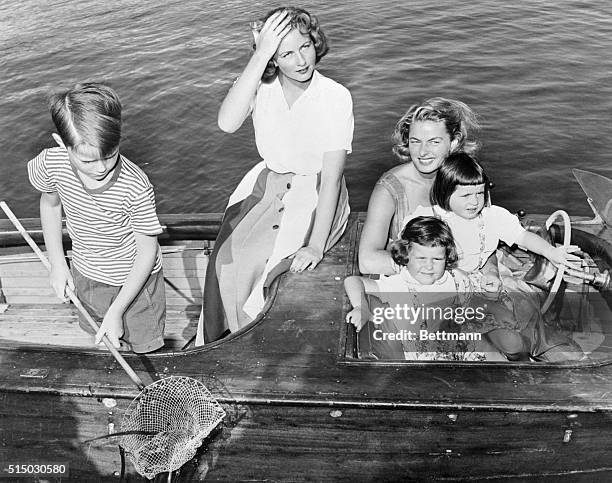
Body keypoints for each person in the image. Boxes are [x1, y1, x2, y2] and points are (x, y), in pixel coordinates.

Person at [196, 7, 353, 344]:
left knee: (274, 268)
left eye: (305, 46)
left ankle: (257, 340)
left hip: (316, 191)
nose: (301, 60)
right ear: (273, 58)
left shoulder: (335, 97)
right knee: (227, 260)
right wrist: (261, 54)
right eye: (286, 53)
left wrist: (315, 244)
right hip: (267, 185)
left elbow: (331, 178)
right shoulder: (260, 85)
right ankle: (224, 339)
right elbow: (227, 122)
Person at [27, 82, 165, 353]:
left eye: (110, 155)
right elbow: (51, 205)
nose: (101, 168)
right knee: (104, 340)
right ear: (61, 143)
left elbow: (146, 253)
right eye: (88, 161)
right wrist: (57, 263)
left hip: (135, 282)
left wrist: (117, 311)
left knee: (146, 347)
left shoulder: (135, 186)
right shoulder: (51, 164)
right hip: (87, 274)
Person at [407, 152, 584, 361]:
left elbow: (523, 237)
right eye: (465, 196)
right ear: (445, 193)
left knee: (515, 345)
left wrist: (550, 252)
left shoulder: (493, 217)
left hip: (481, 291)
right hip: (441, 295)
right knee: (463, 348)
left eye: (479, 193)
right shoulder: (429, 219)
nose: (474, 202)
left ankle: (512, 354)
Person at [345, 216, 513, 361]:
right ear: (406, 254)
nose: (429, 266)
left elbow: (477, 302)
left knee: (498, 355)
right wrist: (361, 307)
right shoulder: (399, 284)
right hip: (425, 359)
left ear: (447, 256)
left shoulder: (456, 278)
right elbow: (353, 281)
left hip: (461, 346)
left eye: (437, 259)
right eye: (421, 258)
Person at [358, 97, 492, 277]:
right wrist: (443, 272)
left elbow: (486, 235)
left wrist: (492, 272)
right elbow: (367, 261)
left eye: (434, 142)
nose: (422, 152)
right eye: (415, 141)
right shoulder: (390, 188)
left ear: (453, 142)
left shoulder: (469, 180)